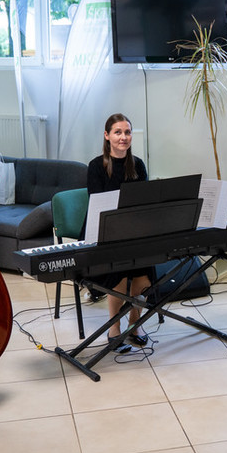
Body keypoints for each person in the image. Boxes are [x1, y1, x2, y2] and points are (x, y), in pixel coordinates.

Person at [86, 113, 151, 349]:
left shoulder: (138, 165)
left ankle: (135, 322)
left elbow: (144, 201)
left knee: (145, 268)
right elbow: (97, 204)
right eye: (118, 132)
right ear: (107, 136)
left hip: (133, 229)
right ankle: (114, 327)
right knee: (119, 270)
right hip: (104, 231)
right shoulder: (96, 166)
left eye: (127, 132)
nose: (123, 137)